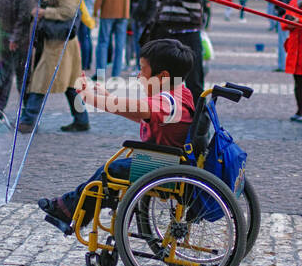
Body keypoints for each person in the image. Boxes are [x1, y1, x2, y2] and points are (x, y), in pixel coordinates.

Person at [36, 39, 195, 227]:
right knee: (111, 171)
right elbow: (136, 112)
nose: (138, 76)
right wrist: (105, 96)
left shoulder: (168, 103)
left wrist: (89, 97)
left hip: (163, 167)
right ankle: (74, 208)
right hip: (166, 161)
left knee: (110, 171)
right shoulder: (179, 94)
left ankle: (70, 208)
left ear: (163, 76)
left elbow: (135, 109)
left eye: (143, 70)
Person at [18, 0, 87, 134]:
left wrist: (44, 12)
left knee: (41, 80)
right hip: (52, 39)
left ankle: (28, 120)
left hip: (60, 42)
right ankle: (82, 119)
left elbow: (69, 11)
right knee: (70, 84)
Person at [94, 0, 132, 77]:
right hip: (123, 12)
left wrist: (95, 11)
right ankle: (116, 74)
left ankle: (101, 74)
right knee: (120, 44)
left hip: (108, 12)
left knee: (103, 42)